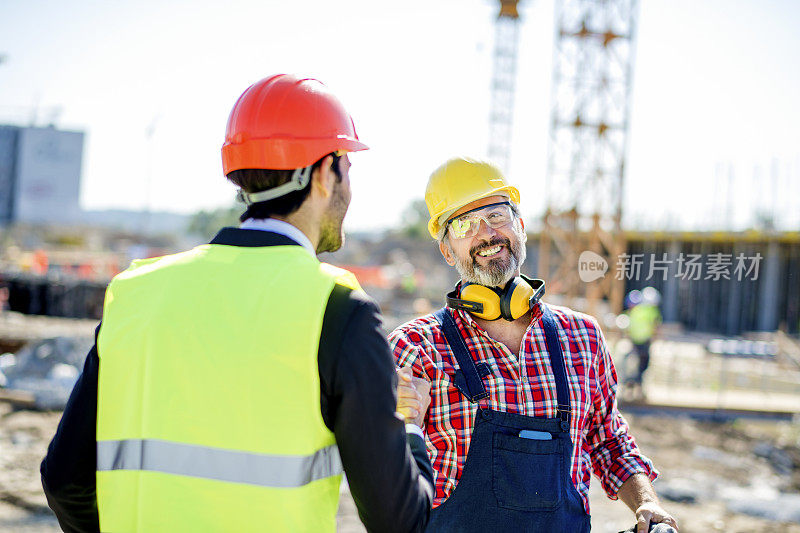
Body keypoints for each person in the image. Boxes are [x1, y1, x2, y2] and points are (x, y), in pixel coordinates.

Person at [41, 74, 433, 533]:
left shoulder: (136, 292)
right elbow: (400, 521)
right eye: (348, 166)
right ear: (325, 173)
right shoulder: (339, 309)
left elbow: (64, 480)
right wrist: (408, 424)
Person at [389, 157, 677, 533]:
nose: (486, 234)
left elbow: (608, 439)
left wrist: (647, 502)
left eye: (495, 216)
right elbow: (380, 476)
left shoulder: (582, 337)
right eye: (463, 224)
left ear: (520, 227)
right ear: (447, 251)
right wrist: (402, 424)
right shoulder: (415, 348)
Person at [625, 287, 663, 400]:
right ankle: (638, 390)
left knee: (635, 365)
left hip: (634, 341)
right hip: (645, 342)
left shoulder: (635, 310)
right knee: (643, 366)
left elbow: (629, 326)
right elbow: (655, 327)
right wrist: (655, 338)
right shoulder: (652, 311)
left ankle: (631, 389)